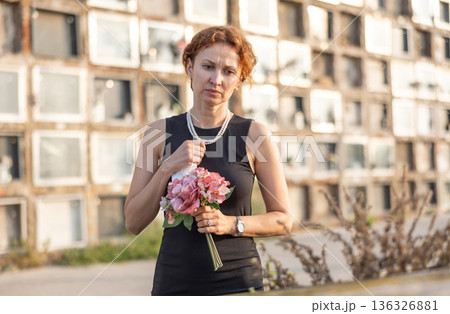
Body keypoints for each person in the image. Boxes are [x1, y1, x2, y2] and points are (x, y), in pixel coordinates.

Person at [124, 25, 292, 296]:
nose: (216, 79)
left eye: (228, 72)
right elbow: (133, 223)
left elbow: (284, 220)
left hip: (238, 282)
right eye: (207, 66)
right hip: (175, 283)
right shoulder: (156, 134)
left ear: (239, 80)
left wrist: (232, 224)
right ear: (189, 67)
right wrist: (167, 167)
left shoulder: (255, 134)